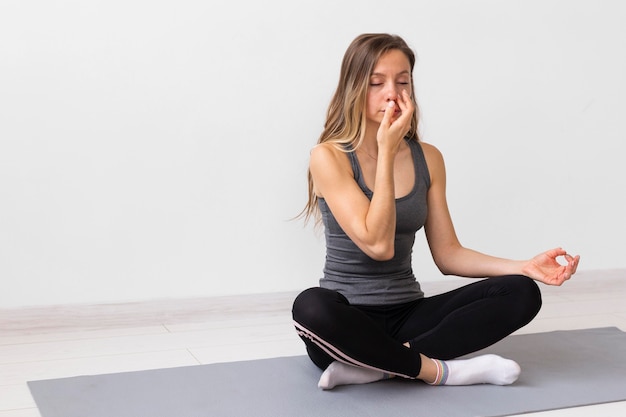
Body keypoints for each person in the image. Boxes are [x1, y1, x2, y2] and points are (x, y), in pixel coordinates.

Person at [291, 33, 580, 390]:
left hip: (410, 315)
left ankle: (380, 366)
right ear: (354, 88)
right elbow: (378, 245)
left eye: (403, 82)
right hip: (347, 322)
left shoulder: (428, 158)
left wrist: (523, 266)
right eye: (376, 83)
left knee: (521, 292)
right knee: (310, 307)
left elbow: (448, 254)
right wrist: (385, 152)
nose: (392, 94)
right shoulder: (329, 156)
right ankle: (440, 371)